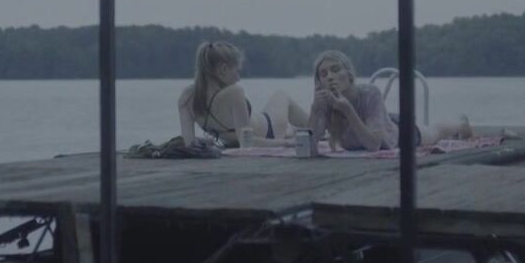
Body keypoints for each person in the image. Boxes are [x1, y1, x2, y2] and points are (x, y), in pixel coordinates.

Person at [308, 50, 471, 152]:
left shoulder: (369, 93)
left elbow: (374, 145)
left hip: (397, 135)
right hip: (379, 119)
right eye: (323, 74)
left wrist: (348, 110)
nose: (330, 76)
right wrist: (315, 109)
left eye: (335, 69)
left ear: (349, 74)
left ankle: (461, 124)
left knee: (433, 132)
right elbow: (309, 145)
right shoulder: (325, 103)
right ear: (319, 82)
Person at [178, 41, 309, 148]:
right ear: (224, 69)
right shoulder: (234, 92)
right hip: (269, 132)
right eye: (237, 71)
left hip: (257, 130)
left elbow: (189, 143)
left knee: (291, 129)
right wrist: (286, 143)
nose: (238, 78)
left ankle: (295, 130)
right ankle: (315, 128)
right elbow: (247, 142)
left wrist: (208, 141)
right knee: (281, 95)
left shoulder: (186, 98)